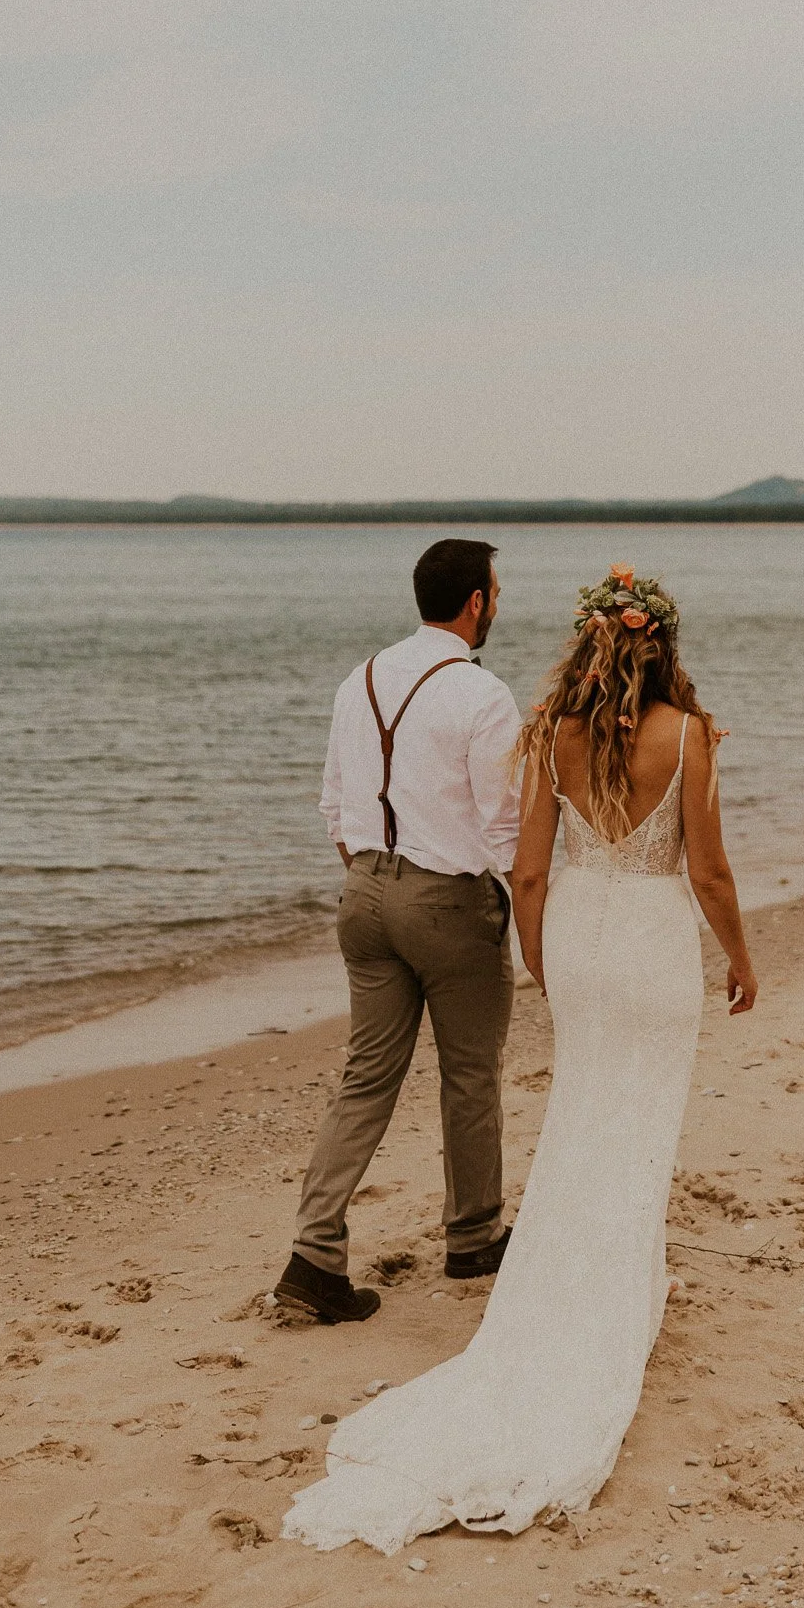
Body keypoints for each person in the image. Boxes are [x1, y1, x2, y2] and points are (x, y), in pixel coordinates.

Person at [282, 564, 758, 1554]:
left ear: (587, 644)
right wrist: (744, 955)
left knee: (580, 1107)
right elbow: (706, 868)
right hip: (651, 943)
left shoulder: (550, 734)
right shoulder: (693, 736)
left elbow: (532, 867)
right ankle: (611, 1276)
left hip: (576, 938)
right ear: (662, 644)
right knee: (637, 1116)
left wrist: (541, 955)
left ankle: (536, 1270)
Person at [272, 538, 522, 1326]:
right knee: (469, 1073)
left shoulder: (362, 678)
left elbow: (332, 803)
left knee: (365, 1079)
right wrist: (533, 907)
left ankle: (313, 1259)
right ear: (476, 602)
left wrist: (372, 871)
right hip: (447, 903)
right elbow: (504, 826)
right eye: (496, 592)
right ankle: (473, 1238)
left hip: (364, 894)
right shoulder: (483, 696)